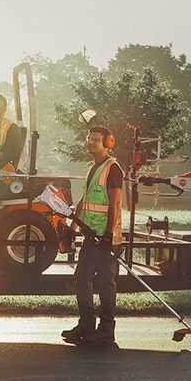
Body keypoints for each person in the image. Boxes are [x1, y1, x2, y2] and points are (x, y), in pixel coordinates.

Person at [62, 125, 124, 345]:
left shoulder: (112, 168)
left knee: (106, 282)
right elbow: (84, 202)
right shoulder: (93, 168)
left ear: (108, 142)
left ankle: (107, 329)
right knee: (81, 278)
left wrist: (108, 235)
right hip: (91, 237)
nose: (91, 142)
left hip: (105, 239)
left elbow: (115, 205)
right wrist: (72, 228)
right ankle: (87, 324)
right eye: (89, 138)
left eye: (96, 139)